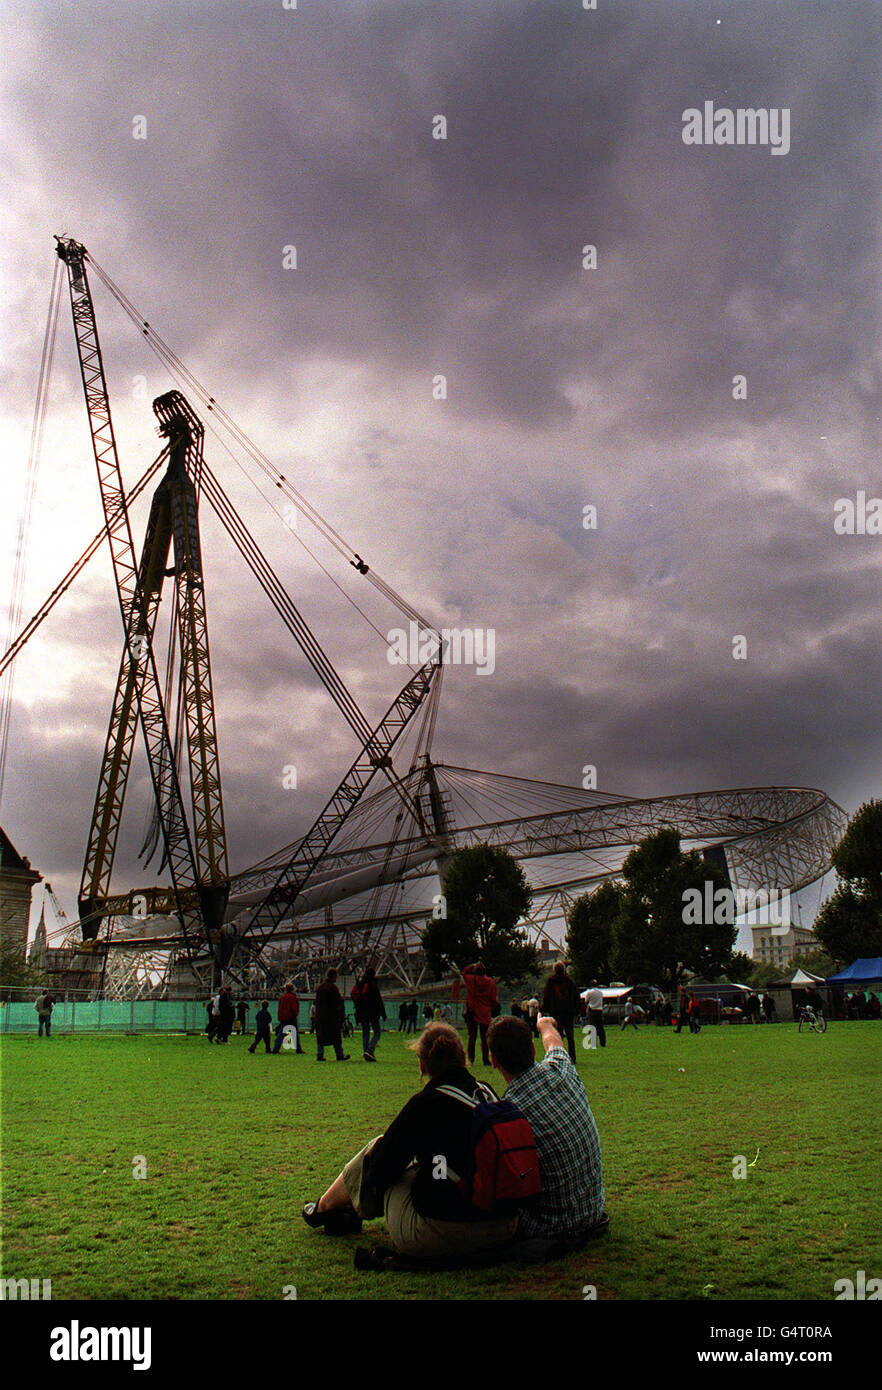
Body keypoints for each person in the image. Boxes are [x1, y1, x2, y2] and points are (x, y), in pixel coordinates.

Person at [301, 1023, 519, 1258]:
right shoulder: (487, 1094)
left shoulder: (426, 1104)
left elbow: (380, 1169)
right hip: (505, 1227)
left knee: (379, 1149)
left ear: (422, 1064)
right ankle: (330, 1208)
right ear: (463, 1057)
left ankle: (324, 1208)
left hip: (443, 1234)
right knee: (433, 1163)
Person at [487, 1014, 606, 1241]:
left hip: (550, 1227)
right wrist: (545, 1025)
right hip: (592, 1212)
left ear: (493, 1061)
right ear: (532, 1050)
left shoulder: (508, 1115)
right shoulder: (562, 1071)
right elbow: (554, 1042)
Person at [541, 962, 581, 1062]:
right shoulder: (569, 981)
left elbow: (547, 996)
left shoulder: (551, 981)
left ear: (554, 970)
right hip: (568, 1012)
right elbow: (576, 996)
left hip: (555, 1011)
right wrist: (577, 1009)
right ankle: (572, 1057)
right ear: (564, 970)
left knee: (558, 1035)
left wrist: (544, 1009)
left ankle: (560, 1057)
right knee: (570, 1035)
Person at [462, 962, 499, 1066]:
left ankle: (470, 1059)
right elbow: (493, 999)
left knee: (472, 1037)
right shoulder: (491, 982)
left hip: (472, 1012)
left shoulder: (471, 980)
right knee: (485, 1038)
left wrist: (471, 966)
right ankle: (486, 1060)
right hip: (485, 1012)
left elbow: (463, 972)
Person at [351, 966, 386, 1062]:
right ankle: (370, 1050)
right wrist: (383, 1014)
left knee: (365, 1033)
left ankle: (366, 1051)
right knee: (377, 1032)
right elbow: (378, 1000)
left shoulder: (360, 984)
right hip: (373, 1012)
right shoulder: (373, 985)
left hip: (362, 1012)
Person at [314, 969, 350, 1061]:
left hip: (321, 1016)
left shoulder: (320, 988)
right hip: (332, 1017)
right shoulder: (333, 988)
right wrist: (341, 1015)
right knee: (336, 1037)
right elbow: (337, 1003)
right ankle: (339, 1054)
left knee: (321, 1037)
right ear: (333, 976)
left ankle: (320, 1054)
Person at [273, 983, 303, 1054]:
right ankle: (298, 1049)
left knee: (281, 1034)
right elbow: (294, 1008)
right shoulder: (293, 997)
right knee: (295, 1033)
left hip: (283, 1017)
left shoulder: (282, 997)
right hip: (291, 1017)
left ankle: (275, 1049)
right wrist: (295, 1015)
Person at [584, 980, 606, 1048]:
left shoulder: (589, 992)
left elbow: (586, 1001)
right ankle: (603, 1042)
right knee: (600, 1027)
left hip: (592, 1011)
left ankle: (594, 1043)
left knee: (593, 1027)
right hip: (599, 1010)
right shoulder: (600, 993)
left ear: (591, 985)